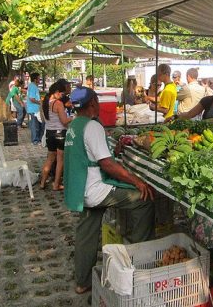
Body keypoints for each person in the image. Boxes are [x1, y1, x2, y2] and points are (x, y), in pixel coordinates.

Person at [63, 86, 155, 294]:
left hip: (80, 188)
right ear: (94, 103)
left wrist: (114, 151)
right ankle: (139, 263)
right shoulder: (92, 127)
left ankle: (82, 281)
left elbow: (91, 154)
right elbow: (108, 165)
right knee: (143, 200)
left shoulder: (74, 125)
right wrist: (137, 181)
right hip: (96, 189)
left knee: (86, 231)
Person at [40, 81, 73, 191]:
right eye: (62, 94)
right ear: (57, 92)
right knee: (60, 160)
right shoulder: (58, 104)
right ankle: (56, 185)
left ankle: (42, 183)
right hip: (59, 133)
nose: (63, 96)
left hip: (49, 133)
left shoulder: (45, 102)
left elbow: (44, 119)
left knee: (49, 159)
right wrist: (73, 118)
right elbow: (64, 121)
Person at [26, 73, 44, 145]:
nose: (40, 79)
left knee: (39, 125)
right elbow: (32, 98)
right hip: (33, 109)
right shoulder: (33, 86)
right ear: (35, 79)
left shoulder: (33, 86)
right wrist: (39, 102)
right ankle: (35, 140)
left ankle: (38, 139)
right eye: (39, 78)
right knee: (35, 125)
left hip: (35, 108)